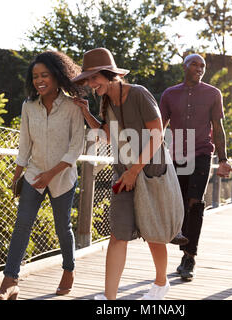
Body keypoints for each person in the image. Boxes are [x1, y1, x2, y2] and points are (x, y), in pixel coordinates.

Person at [72, 48, 171, 300]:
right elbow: (106, 135)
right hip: (124, 172)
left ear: (111, 74)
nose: (92, 84)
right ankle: (109, 299)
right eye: (88, 79)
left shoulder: (138, 94)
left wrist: (135, 170)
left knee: (152, 232)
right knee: (118, 234)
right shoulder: (105, 101)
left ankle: (161, 283)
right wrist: (85, 112)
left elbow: (157, 134)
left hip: (150, 170)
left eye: (95, 78)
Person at [0, 51, 85, 300]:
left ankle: (69, 270)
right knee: (22, 224)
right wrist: (17, 174)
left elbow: (76, 147)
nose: (39, 80)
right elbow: (24, 144)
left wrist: (51, 173)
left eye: (44, 75)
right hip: (33, 175)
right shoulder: (28, 106)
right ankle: (9, 282)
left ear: (57, 76)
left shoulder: (73, 105)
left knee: (63, 226)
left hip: (62, 177)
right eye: (35, 77)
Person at [159, 53, 232, 281]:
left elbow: (218, 127)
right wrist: (151, 153)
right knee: (181, 202)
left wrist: (223, 159)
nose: (199, 68)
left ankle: (189, 256)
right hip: (178, 155)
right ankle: (183, 243)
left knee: (196, 202)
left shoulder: (213, 93)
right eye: (194, 64)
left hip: (202, 152)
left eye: (202, 65)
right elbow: (160, 126)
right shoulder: (170, 94)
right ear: (184, 67)